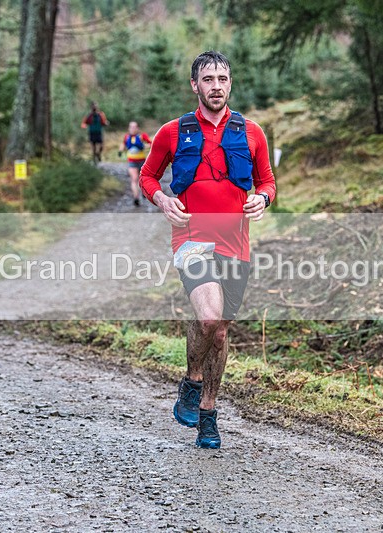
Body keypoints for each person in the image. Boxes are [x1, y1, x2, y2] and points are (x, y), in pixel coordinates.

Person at [139, 51, 276, 449]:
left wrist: (262, 200)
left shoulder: (251, 132)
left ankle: (208, 413)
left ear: (230, 84)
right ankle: (192, 382)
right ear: (194, 85)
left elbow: (267, 181)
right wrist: (163, 200)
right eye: (208, 79)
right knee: (209, 316)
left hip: (237, 243)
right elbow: (148, 176)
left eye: (223, 78)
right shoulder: (172, 131)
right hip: (192, 240)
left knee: (219, 332)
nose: (216, 85)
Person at [119, 122, 152, 206]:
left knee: (142, 179)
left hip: (142, 161)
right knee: (134, 179)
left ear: (138, 128)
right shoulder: (127, 137)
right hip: (131, 161)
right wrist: (120, 151)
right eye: (131, 127)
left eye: (134, 127)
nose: (133, 129)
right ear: (129, 128)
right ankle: (136, 197)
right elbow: (123, 144)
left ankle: (143, 192)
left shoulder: (142, 136)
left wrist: (144, 146)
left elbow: (151, 143)